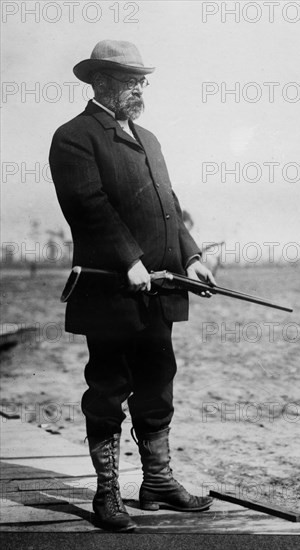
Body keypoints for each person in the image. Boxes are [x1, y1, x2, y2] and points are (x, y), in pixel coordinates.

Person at [49, 39, 216, 532]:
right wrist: (130, 261)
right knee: (108, 387)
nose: (140, 89)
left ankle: (158, 482)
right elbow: (88, 206)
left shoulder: (149, 138)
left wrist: (193, 256)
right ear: (101, 83)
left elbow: (170, 205)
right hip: (110, 291)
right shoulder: (74, 137)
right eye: (130, 81)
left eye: (143, 80)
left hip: (160, 290)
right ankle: (107, 494)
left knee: (158, 381)